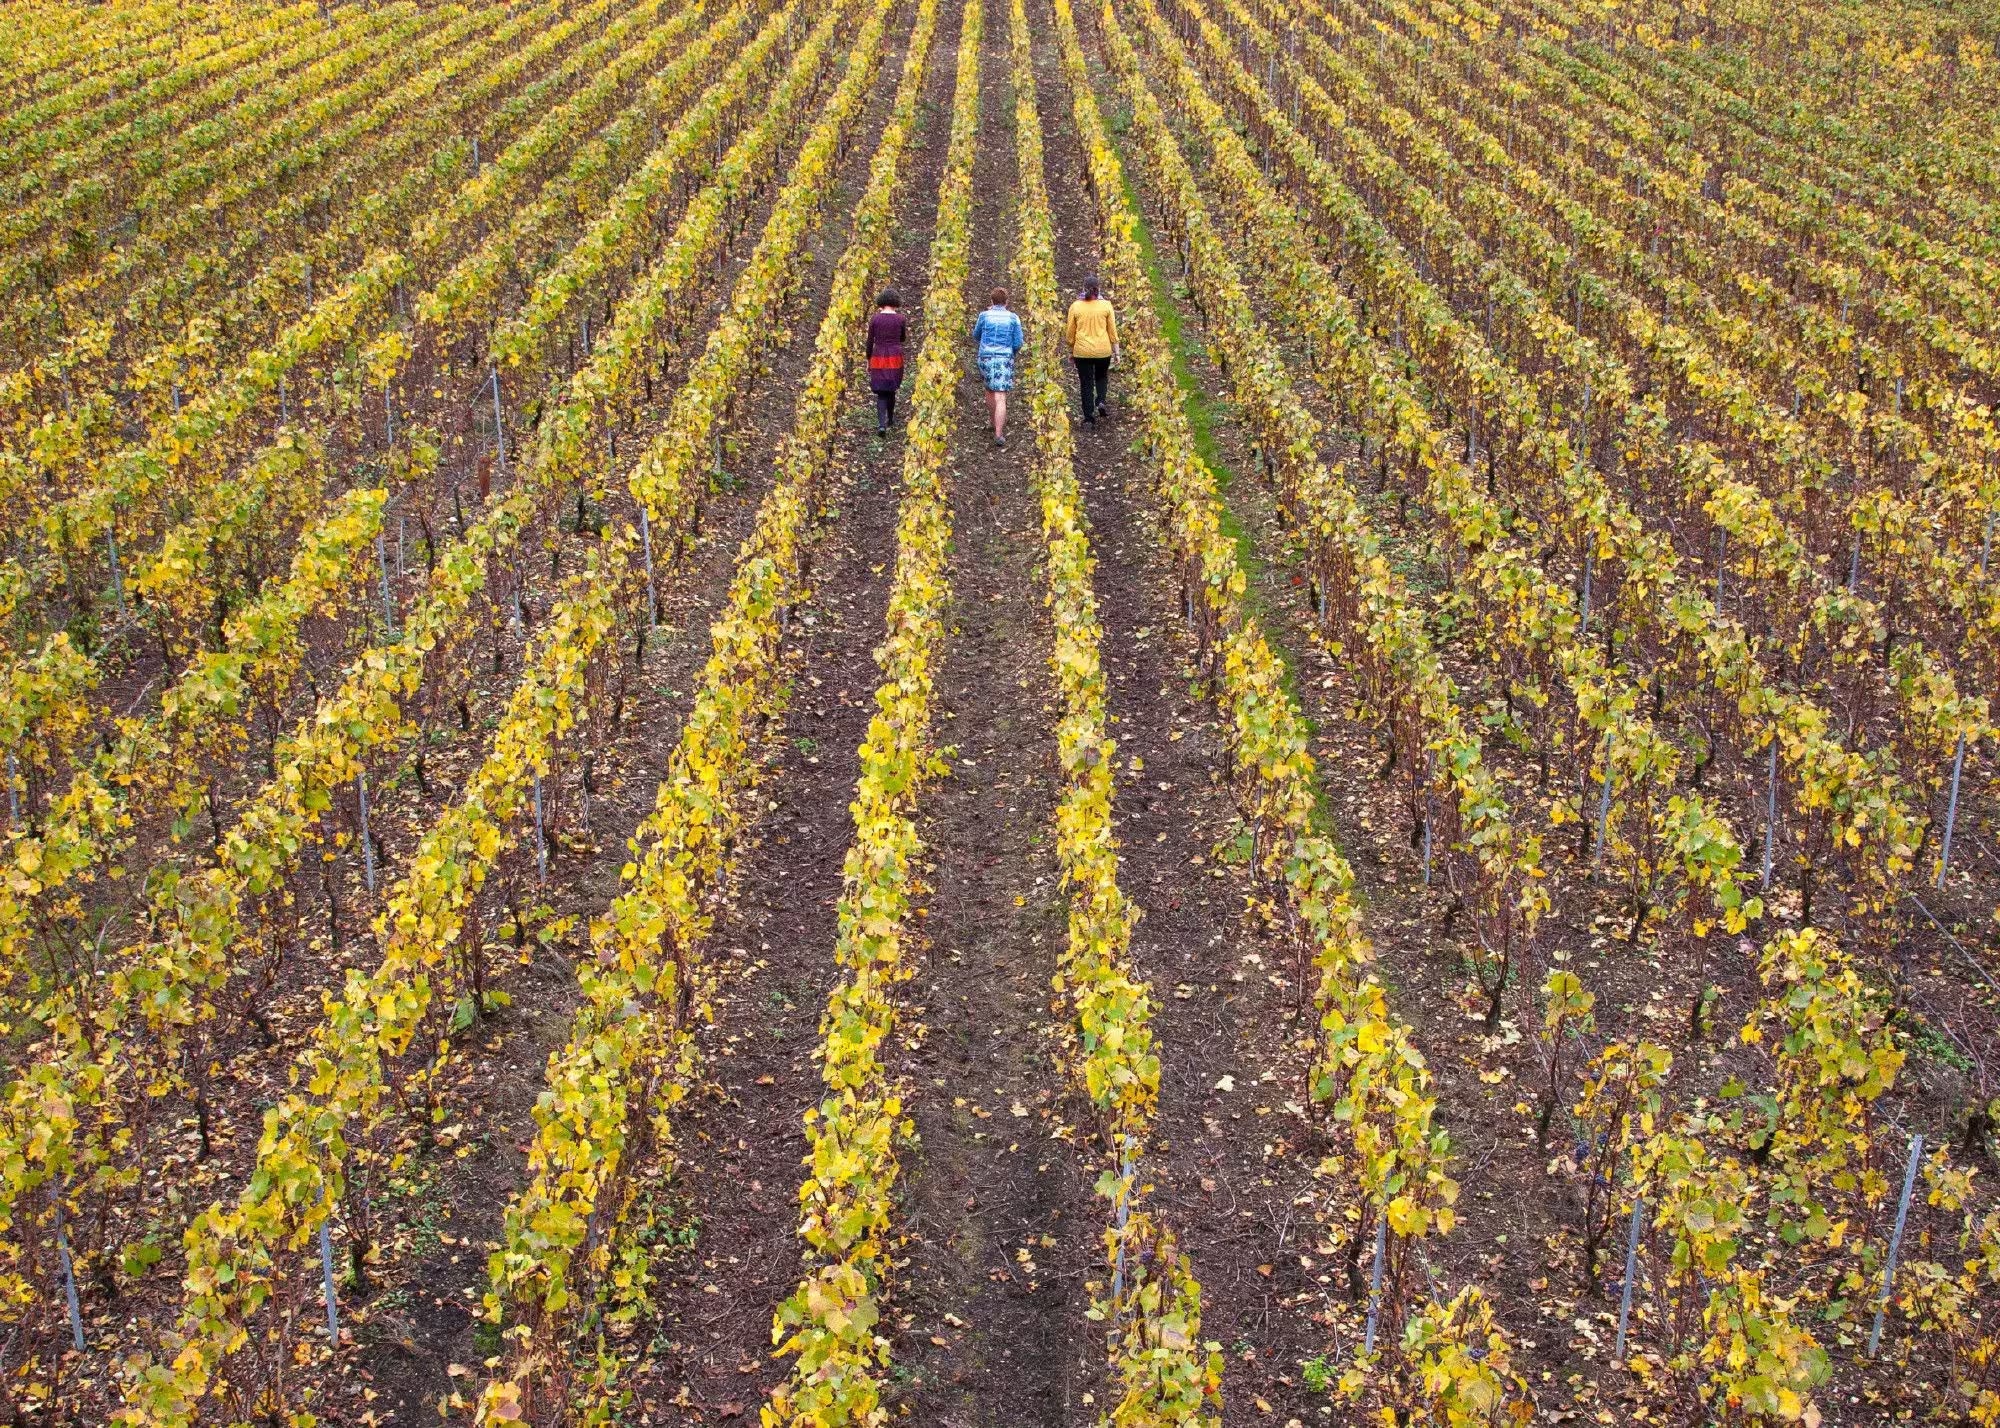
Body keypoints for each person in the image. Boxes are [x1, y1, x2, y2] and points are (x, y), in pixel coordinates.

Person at [970, 286, 1025, 447]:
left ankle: (993, 421)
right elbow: (1018, 342)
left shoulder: (984, 316)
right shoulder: (1013, 318)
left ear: (991, 301)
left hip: (985, 357)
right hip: (1003, 358)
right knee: (1001, 396)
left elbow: (976, 335)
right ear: (1007, 302)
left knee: (989, 390)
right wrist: (1010, 352)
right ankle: (999, 433)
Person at [1064, 276, 1118, 424]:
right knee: (1101, 376)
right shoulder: (1106, 305)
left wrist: (1071, 350)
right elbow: (1112, 331)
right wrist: (1117, 351)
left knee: (1086, 383)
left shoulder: (1075, 306)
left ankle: (1088, 418)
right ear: (1098, 288)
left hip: (1082, 351)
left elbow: (1070, 333)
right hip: (1103, 350)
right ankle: (1100, 400)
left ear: (1083, 288)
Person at [864, 289, 907, 434]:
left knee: (881, 391)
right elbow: (902, 338)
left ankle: (881, 424)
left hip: (878, 355)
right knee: (891, 388)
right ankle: (891, 419)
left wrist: (868, 358)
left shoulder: (875, 319)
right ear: (896, 303)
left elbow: (870, 341)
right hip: (895, 356)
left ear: (881, 302)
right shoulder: (901, 319)